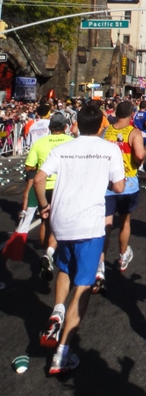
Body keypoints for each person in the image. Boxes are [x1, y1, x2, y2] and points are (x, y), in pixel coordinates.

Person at [34, 103, 125, 374]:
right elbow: (119, 186)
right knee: (84, 286)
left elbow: (39, 179)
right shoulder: (109, 149)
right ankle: (62, 354)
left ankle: (58, 309)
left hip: (61, 221)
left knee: (63, 266)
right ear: (100, 127)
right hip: (89, 224)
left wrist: (43, 206)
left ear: (77, 125)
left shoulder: (62, 149)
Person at [93, 100, 146, 292]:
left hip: (107, 184)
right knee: (124, 222)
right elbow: (139, 155)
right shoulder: (133, 132)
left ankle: (99, 266)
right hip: (127, 183)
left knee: (106, 225)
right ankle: (123, 255)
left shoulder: (105, 132)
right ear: (131, 114)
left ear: (116, 113)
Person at [22, 112, 73, 281]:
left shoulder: (39, 143)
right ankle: (57, 253)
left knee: (46, 221)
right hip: (64, 186)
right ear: (65, 127)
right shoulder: (72, 142)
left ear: (50, 128)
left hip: (45, 186)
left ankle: (46, 253)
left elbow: (29, 167)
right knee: (65, 221)